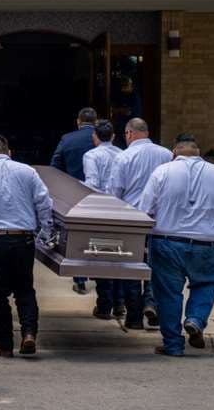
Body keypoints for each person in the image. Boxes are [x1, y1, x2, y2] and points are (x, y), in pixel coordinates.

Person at [138, 135, 214, 356]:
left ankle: (173, 345)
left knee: (168, 294)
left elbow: (145, 211)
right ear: (198, 152)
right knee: (207, 283)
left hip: (167, 243)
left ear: (173, 152)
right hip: (206, 245)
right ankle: (196, 319)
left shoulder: (161, 172)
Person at [0, 136, 53, 357]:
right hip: (23, 239)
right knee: (24, 289)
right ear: (10, 153)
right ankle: (29, 334)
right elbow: (44, 203)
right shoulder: (28, 172)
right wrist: (45, 233)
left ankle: (5, 345)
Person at [109, 117, 173, 329]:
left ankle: (134, 317)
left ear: (129, 133)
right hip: (159, 219)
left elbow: (115, 192)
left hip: (131, 219)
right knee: (156, 265)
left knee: (132, 267)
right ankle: (152, 304)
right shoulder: (166, 154)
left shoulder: (123, 157)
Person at [50, 107, 97, 295]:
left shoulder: (68, 139)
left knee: (78, 234)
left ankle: (80, 279)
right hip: (100, 195)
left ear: (78, 121)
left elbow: (55, 164)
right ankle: (101, 276)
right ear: (95, 121)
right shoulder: (102, 140)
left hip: (75, 192)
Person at [82, 120, 126, 319]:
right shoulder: (122, 154)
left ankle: (104, 305)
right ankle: (120, 303)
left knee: (101, 257)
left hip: (101, 210)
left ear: (94, 137)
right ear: (113, 136)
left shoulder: (91, 155)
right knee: (121, 257)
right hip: (121, 209)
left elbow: (92, 183)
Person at [112, 76, 142, 149]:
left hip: (132, 126)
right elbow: (114, 109)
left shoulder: (134, 97)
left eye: (127, 85)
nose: (123, 88)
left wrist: (120, 110)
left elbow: (129, 112)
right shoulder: (119, 95)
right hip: (120, 128)